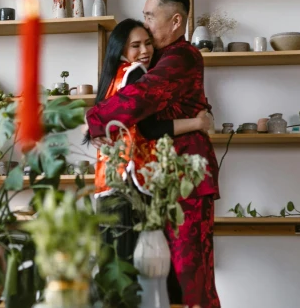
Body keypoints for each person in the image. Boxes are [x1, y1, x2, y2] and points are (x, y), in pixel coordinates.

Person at [85, 0, 220, 308]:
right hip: (159, 181)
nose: (145, 24)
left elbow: (140, 99)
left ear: (175, 22)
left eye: (150, 16)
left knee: (191, 280)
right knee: (161, 279)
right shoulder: (154, 57)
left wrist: (94, 119)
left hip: (188, 180)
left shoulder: (182, 57)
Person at [90, 18, 213, 263]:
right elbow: (150, 128)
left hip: (106, 183)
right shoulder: (135, 73)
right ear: (122, 49)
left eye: (148, 43)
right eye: (136, 45)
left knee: (111, 264)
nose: (145, 51)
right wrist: (198, 123)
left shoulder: (111, 78)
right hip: (130, 181)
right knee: (133, 267)